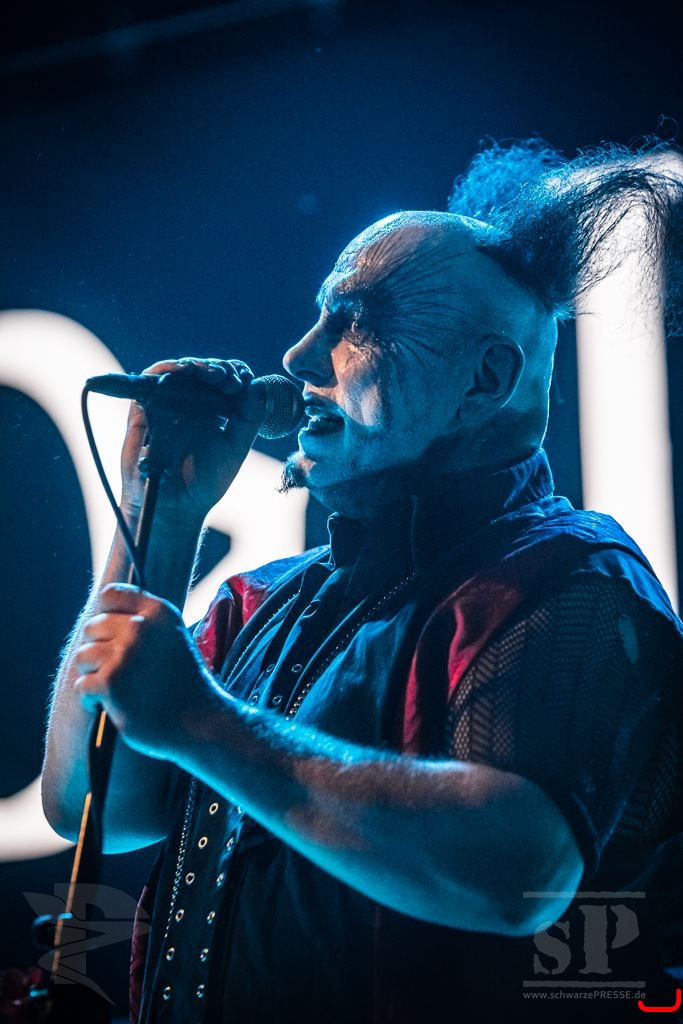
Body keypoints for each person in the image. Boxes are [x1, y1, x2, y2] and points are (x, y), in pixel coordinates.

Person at [42, 138, 683, 1022]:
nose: (300, 356)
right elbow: (87, 805)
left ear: (483, 379)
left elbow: (516, 876)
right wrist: (164, 513)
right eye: (318, 317)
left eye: (357, 324)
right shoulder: (262, 604)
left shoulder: (572, 580)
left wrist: (203, 721)